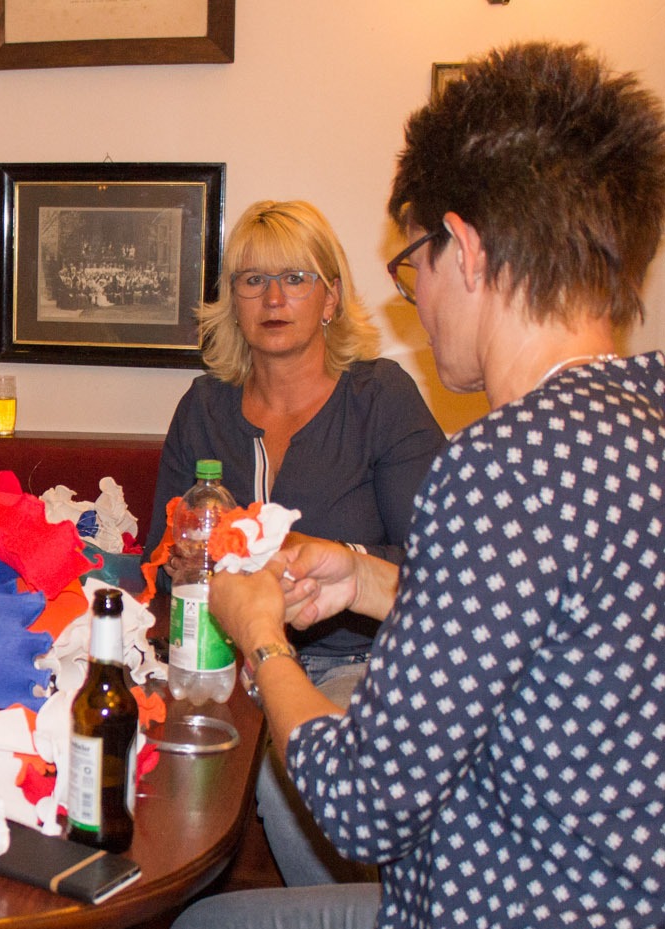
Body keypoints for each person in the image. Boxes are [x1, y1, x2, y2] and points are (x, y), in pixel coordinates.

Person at [164, 42, 665, 929]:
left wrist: (261, 636)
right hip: (594, 916)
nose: (416, 300)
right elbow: (546, 616)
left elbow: (360, 804)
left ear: (463, 249)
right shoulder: (639, 415)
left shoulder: (506, 464)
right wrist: (365, 577)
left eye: (413, 266)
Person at [144, 200, 445, 886]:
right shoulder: (203, 405)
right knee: (152, 767)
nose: (273, 298)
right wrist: (187, 560)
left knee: (294, 779)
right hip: (217, 663)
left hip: (350, 662)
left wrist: (324, 554)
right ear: (233, 301)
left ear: (331, 297)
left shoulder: (380, 397)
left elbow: (435, 565)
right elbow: (158, 563)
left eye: (296, 279)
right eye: (253, 280)